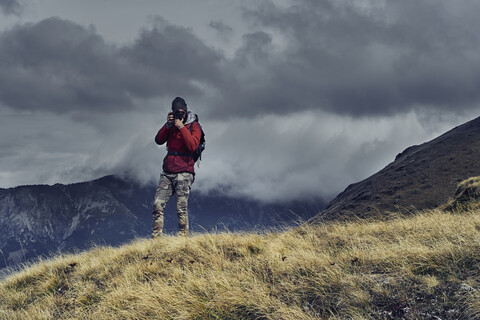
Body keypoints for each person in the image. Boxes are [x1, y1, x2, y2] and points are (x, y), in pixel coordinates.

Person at [152, 97, 202, 238]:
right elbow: (159, 140)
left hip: (184, 172)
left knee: (181, 208)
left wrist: (181, 126)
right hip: (168, 172)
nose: (180, 114)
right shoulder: (171, 125)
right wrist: (168, 125)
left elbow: (192, 145)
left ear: (186, 111)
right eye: (177, 112)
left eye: (182, 112)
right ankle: (156, 240)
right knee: (157, 205)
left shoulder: (194, 126)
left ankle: (182, 240)